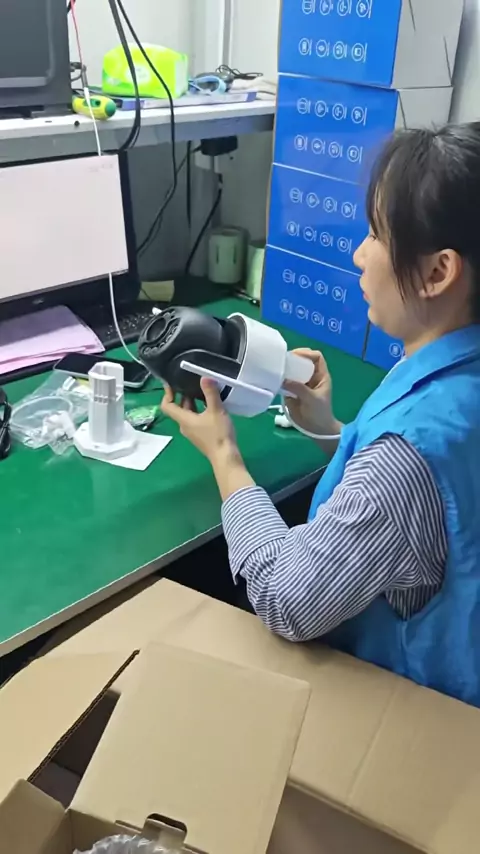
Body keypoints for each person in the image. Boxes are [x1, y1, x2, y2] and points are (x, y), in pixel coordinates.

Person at [161, 122, 480, 707]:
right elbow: (431, 503)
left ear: (439, 272)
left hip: (410, 707)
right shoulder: (458, 373)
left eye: (377, 234)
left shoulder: (406, 458)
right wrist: (329, 430)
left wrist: (225, 458)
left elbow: (289, 600)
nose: (359, 254)